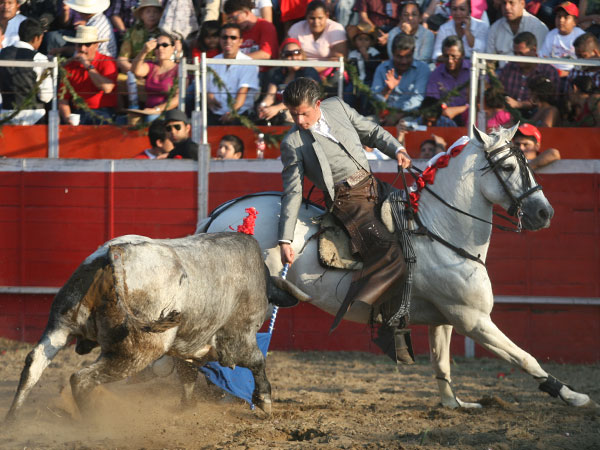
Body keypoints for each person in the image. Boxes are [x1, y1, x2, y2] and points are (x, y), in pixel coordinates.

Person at [278, 77, 413, 361]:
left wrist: (397, 149)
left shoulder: (337, 106)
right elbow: (292, 192)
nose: (299, 120)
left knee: (417, 222)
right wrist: (285, 238)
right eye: (293, 114)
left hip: (373, 186)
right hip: (347, 202)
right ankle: (382, 319)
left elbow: (372, 132)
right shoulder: (292, 142)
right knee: (390, 254)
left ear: (318, 104)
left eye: (304, 113)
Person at [58, 25, 117, 125]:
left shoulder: (107, 61)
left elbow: (107, 88)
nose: (82, 49)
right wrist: (68, 119)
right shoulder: (69, 67)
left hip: (104, 112)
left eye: (87, 44)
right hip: (79, 113)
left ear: (96, 45)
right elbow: (63, 100)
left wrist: (88, 65)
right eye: (79, 45)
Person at [0, 18, 53, 125]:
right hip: (34, 117)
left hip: (5, 115)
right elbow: (46, 96)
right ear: (36, 38)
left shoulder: (2, 54)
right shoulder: (39, 58)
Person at [206, 23, 260, 125]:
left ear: (240, 41)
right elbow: (205, 90)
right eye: (224, 37)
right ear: (220, 39)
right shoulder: (211, 62)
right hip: (214, 114)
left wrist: (232, 113)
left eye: (233, 37)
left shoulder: (249, 63)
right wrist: (209, 97)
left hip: (240, 116)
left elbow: (242, 92)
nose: (228, 41)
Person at [258, 37, 320, 125]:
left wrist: (277, 108)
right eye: (288, 54)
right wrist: (263, 106)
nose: (294, 57)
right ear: (282, 56)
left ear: (302, 54)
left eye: (297, 53)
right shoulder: (278, 73)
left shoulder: (309, 71)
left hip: (301, 114)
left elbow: (304, 98)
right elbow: (270, 96)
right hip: (279, 113)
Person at [371, 33, 430, 124]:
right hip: (383, 115)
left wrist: (397, 115)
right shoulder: (382, 68)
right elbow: (374, 101)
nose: (404, 61)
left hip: (410, 115)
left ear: (413, 53)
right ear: (392, 54)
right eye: (399, 57)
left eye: (407, 57)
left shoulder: (422, 69)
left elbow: (418, 98)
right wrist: (387, 89)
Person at [499, 32, 560, 116]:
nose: (517, 57)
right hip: (509, 116)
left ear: (534, 50)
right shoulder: (508, 68)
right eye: (515, 53)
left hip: (537, 117)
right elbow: (499, 92)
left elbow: (550, 102)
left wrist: (519, 104)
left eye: (521, 54)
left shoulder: (548, 71)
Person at [287, 0, 348, 73]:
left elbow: (338, 58)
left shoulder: (335, 28)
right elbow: (286, 53)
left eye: (320, 18)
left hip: (327, 73)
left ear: (327, 16)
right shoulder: (296, 28)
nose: (316, 22)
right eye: (312, 18)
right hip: (298, 71)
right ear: (306, 17)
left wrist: (312, 70)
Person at [131, 32, 179, 121]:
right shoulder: (151, 66)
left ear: (173, 48)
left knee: (151, 119)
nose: (160, 48)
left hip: (167, 113)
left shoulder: (179, 69)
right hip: (147, 110)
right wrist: (144, 51)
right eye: (157, 46)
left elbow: (178, 98)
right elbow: (136, 71)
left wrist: (156, 110)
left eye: (164, 45)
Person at [426, 35, 470, 125]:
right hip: (445, 117)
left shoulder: (473, 70)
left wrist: (460, 109)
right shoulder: (436, 74)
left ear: (463, 55)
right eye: (446, 56)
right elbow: (432, 102)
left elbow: (482, 102)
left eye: (454, 56)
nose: (450, 60)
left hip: (471, 115)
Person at [49, 0, 117, 58]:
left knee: (53, 37)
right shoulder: (99, 19)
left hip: (99, 61)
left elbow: (86, 51)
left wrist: (61, 50)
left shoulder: (94, 27)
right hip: (99, 57)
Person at [539, 2, 585, 76]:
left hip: (575, 73)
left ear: (575, 22)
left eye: (566, 17)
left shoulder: (581, 36)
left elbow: (584, 61)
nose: (561, 20)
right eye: (559, 16)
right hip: (554, 73)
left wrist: (568, 73)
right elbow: (544, 57)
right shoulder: (551, 35)